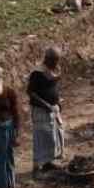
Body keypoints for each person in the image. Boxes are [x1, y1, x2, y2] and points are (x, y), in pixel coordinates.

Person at [28, 47, 66, 178]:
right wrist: (46, 105)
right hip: (41, 110)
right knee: (41, 138)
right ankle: (37, 167)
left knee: (53, 136)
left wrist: (57, 102)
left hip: (52, 109)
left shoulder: (52, 71)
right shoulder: (37, 73)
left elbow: (53, 87)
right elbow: (31, 93)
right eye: (55, 60)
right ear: (48, 59)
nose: (57, 63)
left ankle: (48, 162)